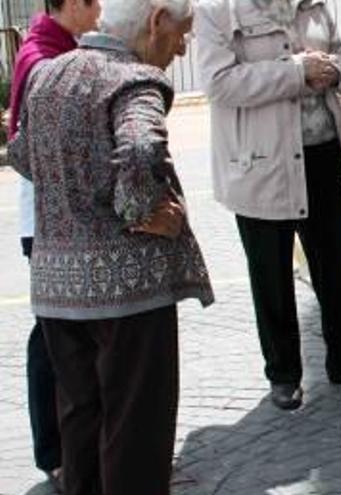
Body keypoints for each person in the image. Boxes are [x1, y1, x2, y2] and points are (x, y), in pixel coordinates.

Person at [7, 0, 212, 493]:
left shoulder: (51, 73)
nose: (182, 47)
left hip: (57, 287)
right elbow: (141, 148)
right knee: (135, 433)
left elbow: (20, 152)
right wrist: (140, 209)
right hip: (127, 296)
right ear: (155, 21)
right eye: (181, 33)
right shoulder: (135, 79)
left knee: (80, 423)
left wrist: (73, 192)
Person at [194, 0, 341, 410]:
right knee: (272, 273)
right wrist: (296, 73)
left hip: (322, 152)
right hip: (262, 164)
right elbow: (220, 83)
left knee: (339, 263)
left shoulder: (313, 5)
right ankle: (283, 374)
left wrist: (335, 70)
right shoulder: (218, 11)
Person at [7, 0, 101, 489]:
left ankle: (75, 446)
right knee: (51, 335)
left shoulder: (59, 43)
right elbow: (26, 148)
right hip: (45, 219)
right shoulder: (41, 57)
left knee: (64, 331)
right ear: (72, 6)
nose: (102, 9)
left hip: (60, 214)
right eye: (95, 1)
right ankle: (53, 450)